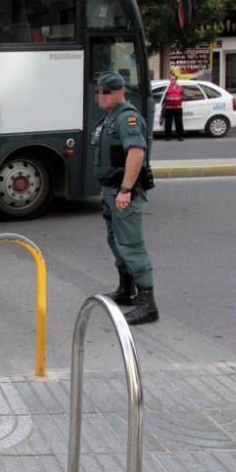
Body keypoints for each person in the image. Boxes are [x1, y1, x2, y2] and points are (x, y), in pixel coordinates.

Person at [92, 71, 159, 325]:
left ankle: (147, 303)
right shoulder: (111, 117)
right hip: (110, 190)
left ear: (120, 92)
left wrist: (125, 189)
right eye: (99, 91)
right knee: (116, 241)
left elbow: (136, 153)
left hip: (122, 191)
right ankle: (127, 289)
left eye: (107, 91)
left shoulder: (127, 118)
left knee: (131, 244)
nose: (102, 96)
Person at [162, 73, 185, 141]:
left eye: (173, 79)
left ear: (176, 80)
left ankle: (180, 136)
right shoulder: (166, 88)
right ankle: (168, 136)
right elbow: (163, 97)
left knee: (179, 122)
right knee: (168, 122)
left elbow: (184, 96)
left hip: (178, 107)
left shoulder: (180, 88)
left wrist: (179, 98)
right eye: (171, 79)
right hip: (169, 107)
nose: (172, 80)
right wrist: (168, 98)